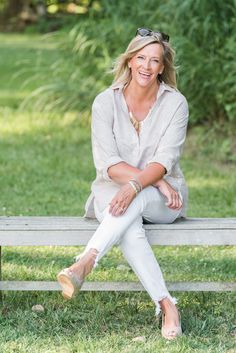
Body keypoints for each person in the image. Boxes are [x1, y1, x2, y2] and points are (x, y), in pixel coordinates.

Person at [57, 27, 189, 340]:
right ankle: (167, 305)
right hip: (114, 194)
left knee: (137, 198)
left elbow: (163, 162)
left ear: (162, 67)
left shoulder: (176, 104)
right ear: (129, 60)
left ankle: (86, 261)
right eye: (141, 57)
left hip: (164, 202)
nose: (147, 66)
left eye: (155, 61)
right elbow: (110, 165)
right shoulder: (105, 103)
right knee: (130, 226)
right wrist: (154, 183)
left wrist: (144, 186)